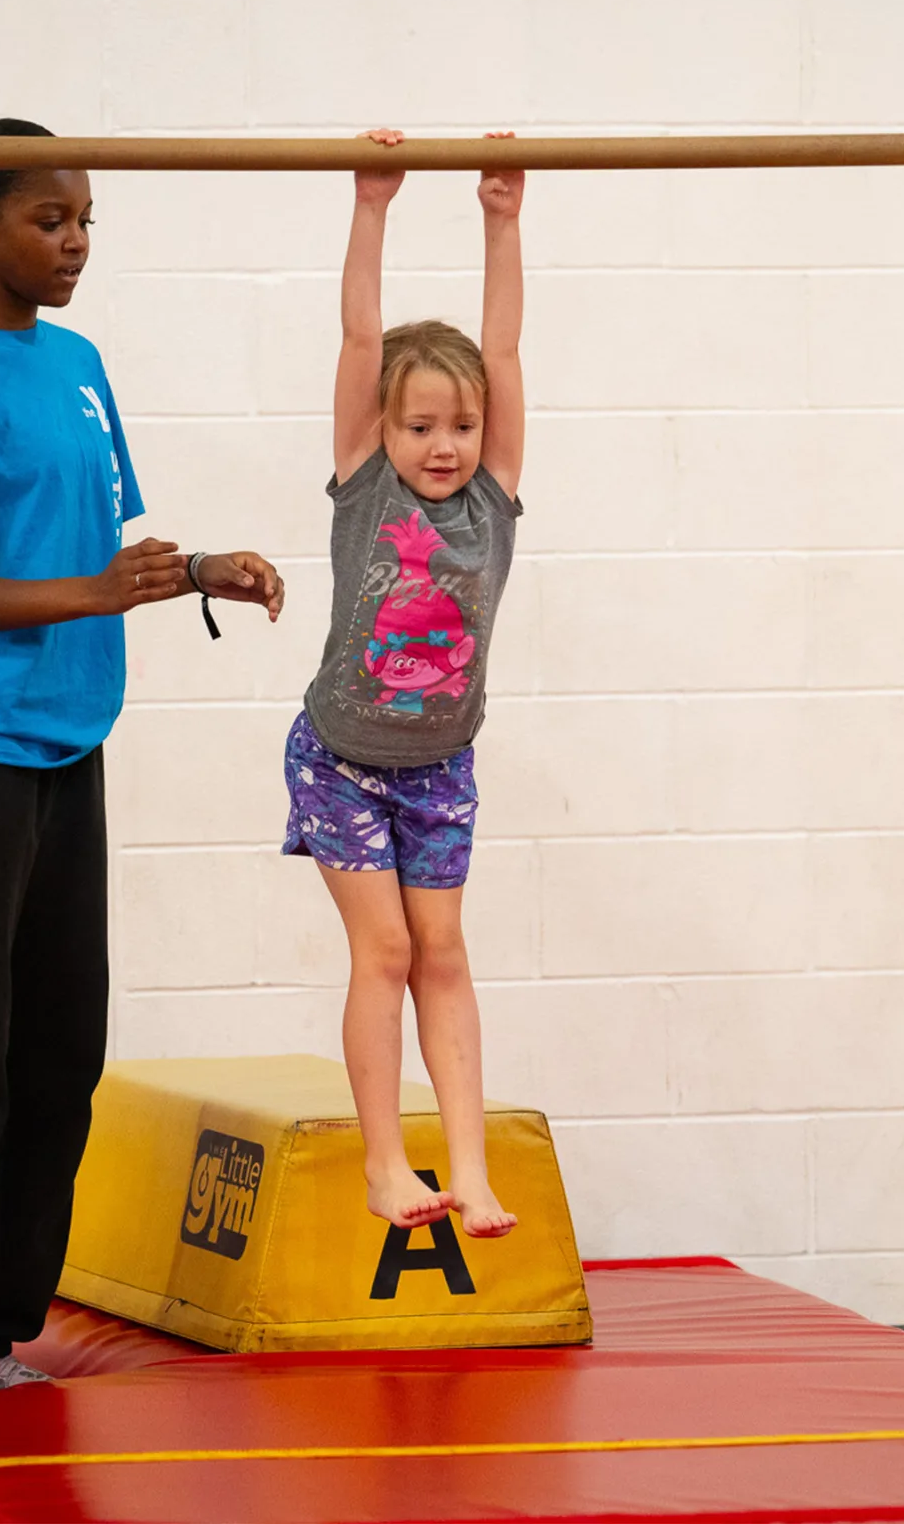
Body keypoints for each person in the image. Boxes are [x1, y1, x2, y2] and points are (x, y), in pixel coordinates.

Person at [0, 118, 286, 1403]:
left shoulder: (76, 363)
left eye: (86, 223)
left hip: (65, 739)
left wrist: (194, 572)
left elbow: (96, 551)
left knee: (54, 1051)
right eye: (49, 221)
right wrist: (97, 592)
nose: (75, 244)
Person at [284, 129, 526, 1239]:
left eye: (461, 426)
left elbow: (506, 355)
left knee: (444, 953)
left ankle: (467, 1173)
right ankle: (388, 1167)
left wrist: (500, 217)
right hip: (338, 756)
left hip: (439, 764)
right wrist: (370, 202)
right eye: (420, 425)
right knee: (382, 951)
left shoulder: (493, 499)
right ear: (380, 427)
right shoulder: (360, 482)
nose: (443, 445)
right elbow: (356, 333)